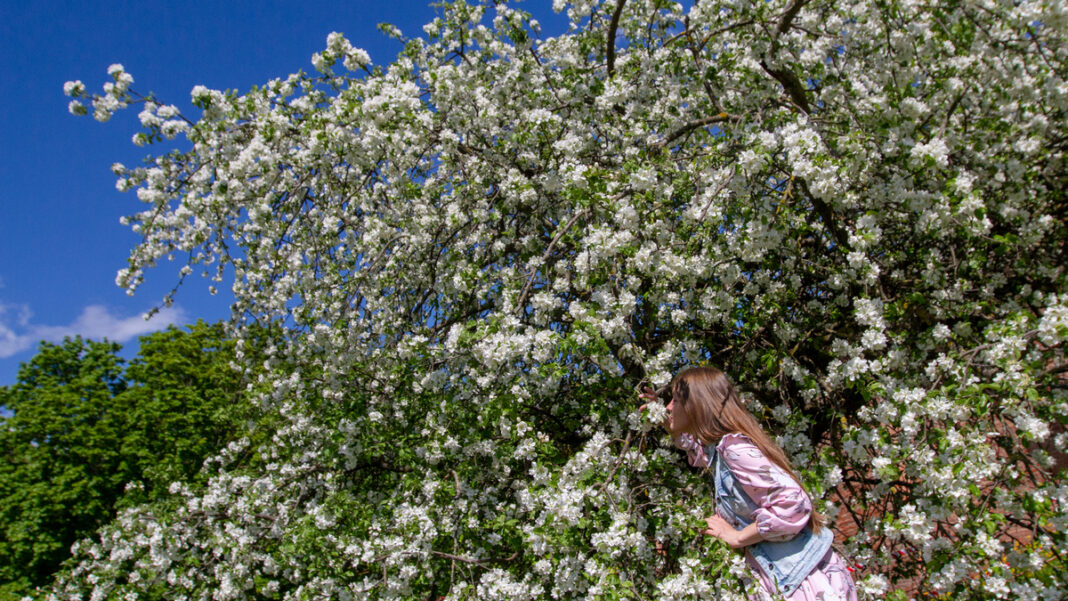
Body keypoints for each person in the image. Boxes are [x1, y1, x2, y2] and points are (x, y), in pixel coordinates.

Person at [640, 366, 856, 601]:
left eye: (675, 400)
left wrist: (737, 536)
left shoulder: (734, 450)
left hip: (805, 585)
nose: (669, 406)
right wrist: (664, 420)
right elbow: (695, 448)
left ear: (697, 406)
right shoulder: (719, 450)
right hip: (788, 581)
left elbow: (793, 504)